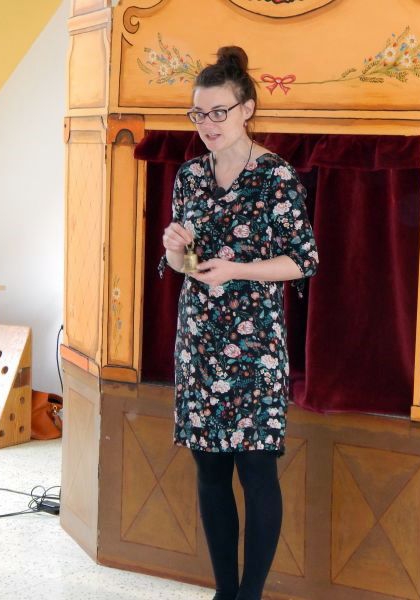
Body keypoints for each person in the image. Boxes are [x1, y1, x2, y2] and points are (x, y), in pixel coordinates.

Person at [158, 46, 318, 600]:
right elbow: (184, 262)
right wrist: (174, 248)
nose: (207, 124)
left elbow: (303, 260)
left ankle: (249, 595)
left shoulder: (277, 176)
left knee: (256, 470)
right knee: (209, 470)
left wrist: (239, 270)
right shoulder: (189, 176)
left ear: (246, 109)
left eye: (218, 112)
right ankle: (225, 592)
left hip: (256, 345)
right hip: (199, 340)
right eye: (198, 114)